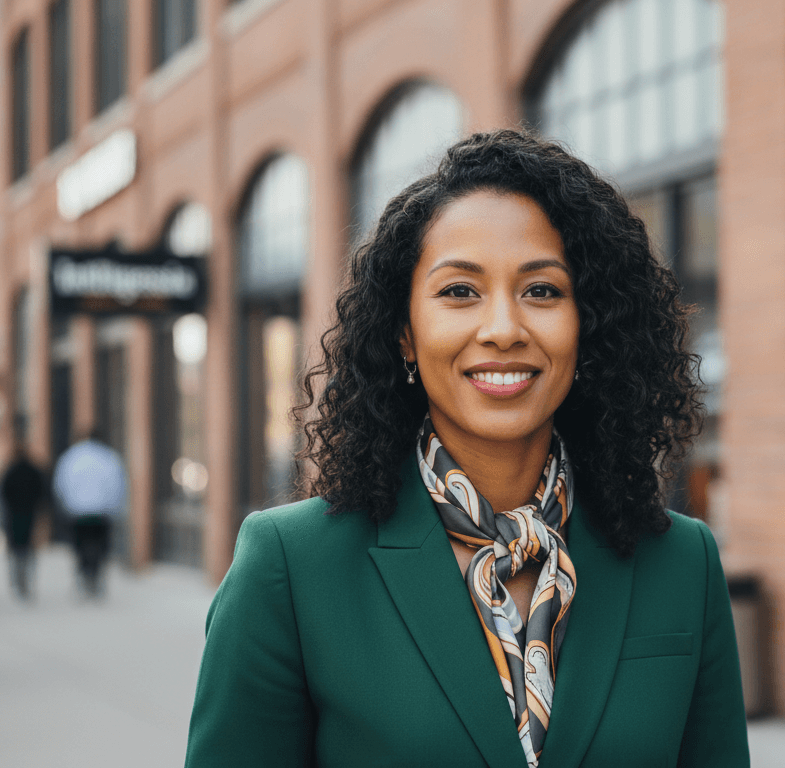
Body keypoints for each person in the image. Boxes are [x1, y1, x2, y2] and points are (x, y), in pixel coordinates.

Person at [186, 130, 749, 767]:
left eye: (542, 291)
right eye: (459, 292)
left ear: (588, 327)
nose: (504, 328)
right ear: (404, 332)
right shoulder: (291, 567)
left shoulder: (681, 564)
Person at [52, 430, 126, 598]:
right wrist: (115, 509)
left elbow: (61, 484)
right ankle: (96, 579)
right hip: (102, 511)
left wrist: (65, 506)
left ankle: (83, 577)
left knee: (80, 546)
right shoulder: (109, 457)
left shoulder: (71, 457)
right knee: (100, 547)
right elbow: (118, 485)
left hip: (78, 511)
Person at [0, 444, 45, 601]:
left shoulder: (10, 472)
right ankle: (27, 581)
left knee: (16, 551)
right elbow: (41, 493)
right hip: (30, 515)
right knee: (29, 550)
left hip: (13, 517)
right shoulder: (34, 472)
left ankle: (17, 582)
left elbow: (3, 495)